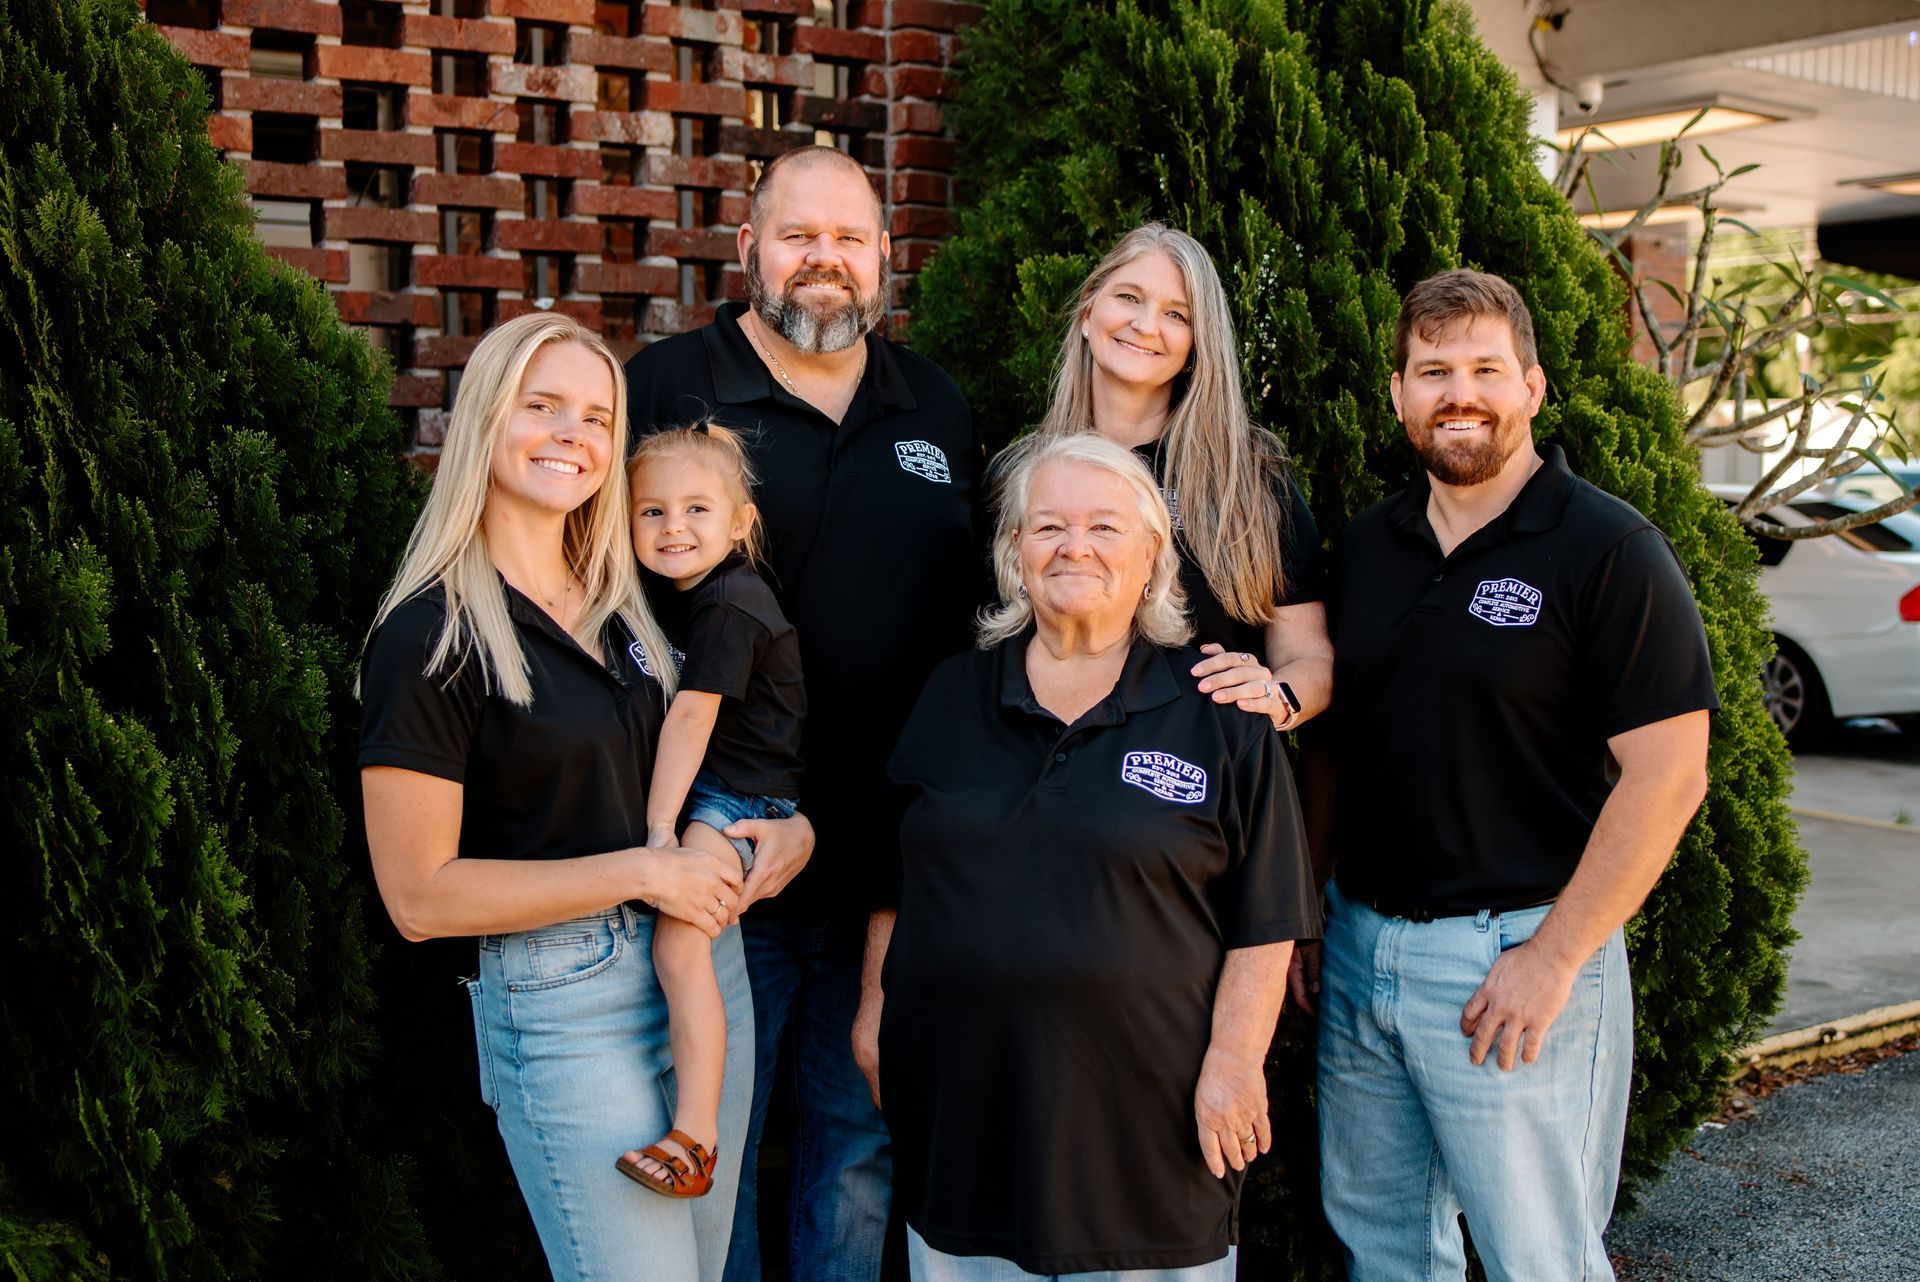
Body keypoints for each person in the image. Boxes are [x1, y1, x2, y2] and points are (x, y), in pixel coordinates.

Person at [357, 312, 814, 1281]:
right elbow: (417, 897)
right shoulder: (430, 635)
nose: (573, 434)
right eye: (544, 406)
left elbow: (722, 745)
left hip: (704, 968)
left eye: (598, 417)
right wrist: (643, 870)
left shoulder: (633, 603)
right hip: (568, 1003)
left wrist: (790, 829)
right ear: (488, 418)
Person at [1308, 269, 1717, 1282]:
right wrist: (1309, 910)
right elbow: (1333, 744)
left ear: (1532, 386)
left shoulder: (1608, 550)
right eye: (1433, 370)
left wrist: (1555, 956)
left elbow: (1669, 776)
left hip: (1514, 958)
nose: (1461, 394)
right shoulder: (1366, 547)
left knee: (1541, 1259)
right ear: (1398, 394)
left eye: (1487, 369)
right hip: (1360, 951)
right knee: (1384, 1252)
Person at [624, 145, 978, 1282]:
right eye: (797, 236)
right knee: (715, 1140)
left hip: (887, 865)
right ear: (748, 249)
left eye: (849, 239)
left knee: (856, 1150)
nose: (825, 259)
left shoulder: (936, 404)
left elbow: (966, 634)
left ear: (884, 254)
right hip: (725, 856)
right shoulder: (666, 388)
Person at [859, 432, 1321, 1281]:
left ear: (1152, 557)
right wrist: (873, 1012)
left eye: (1106, 527)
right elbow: (896, 876)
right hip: (966, 1124)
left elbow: (1266, 917)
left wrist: (1233, 1063)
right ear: (1014, 553)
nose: (1075, 546)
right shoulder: (951, 693)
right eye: (1049, 527)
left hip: (1154, 1137)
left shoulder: (1217, 708)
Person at [1037, 222, 1334, 734]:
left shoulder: (1250, 476)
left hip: (1202, 771)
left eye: (1176, 314)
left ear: (1197, 343)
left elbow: (1310, 657)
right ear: (1088, 312)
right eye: (1129, 297)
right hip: (1051, 766)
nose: (1145, 325)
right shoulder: (1026, 476)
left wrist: (1275, 696)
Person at [616, 422, 807, 1199]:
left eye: (697, 509)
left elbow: (692, 719)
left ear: (740, 522)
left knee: (677, 946)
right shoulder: (689, 598)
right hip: (723, 787)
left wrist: (661, 835)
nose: (674, 527)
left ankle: (696, 1136)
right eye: (652, 511)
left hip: (738, 798)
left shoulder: (730, 604)